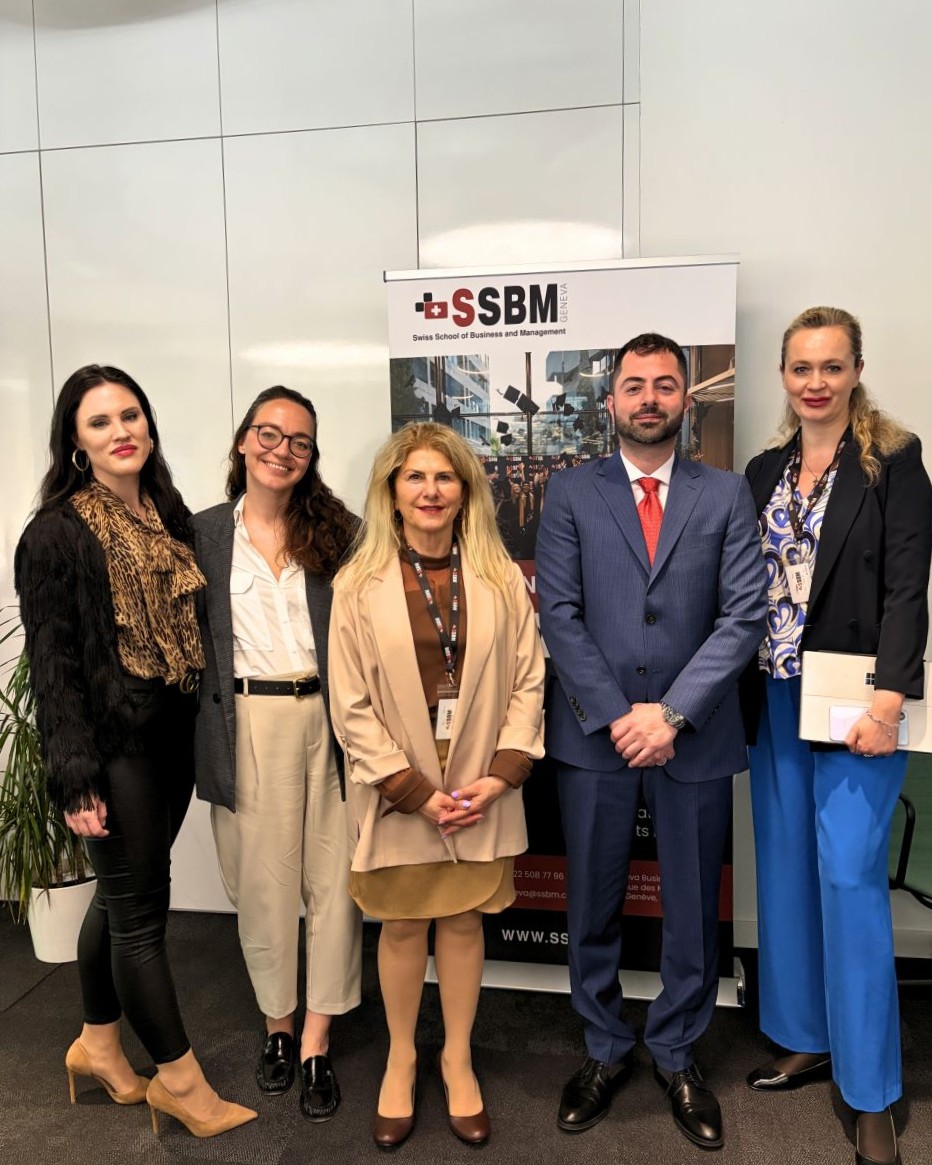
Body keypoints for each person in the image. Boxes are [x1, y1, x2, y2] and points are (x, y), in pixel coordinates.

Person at [536, 333, 767, 1150]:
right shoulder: (570, 492)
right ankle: (604, 1046)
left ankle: (676, 1049)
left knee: (693, 909)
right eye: (634, 385)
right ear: (611, 401)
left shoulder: (725, 493)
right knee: (591, 901)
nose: (649, 398)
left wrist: (669, 715)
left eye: (664, 384)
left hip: (692, 737)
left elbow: (744, 615)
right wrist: (618, 714)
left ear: (685, 400)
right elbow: (558, 613)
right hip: (596, 738)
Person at [14, 364, 256, 1139]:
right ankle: (181, 1083)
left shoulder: (166, 512)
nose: (121, 431)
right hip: (113, 747)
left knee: (120, 900)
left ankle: (97, 1042)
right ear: (76, 442)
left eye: (130, 415)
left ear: (148, 424)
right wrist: (74, 776)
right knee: (143, 920)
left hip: (171, 735)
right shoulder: (55, 533)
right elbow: (53, 667)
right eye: (99, 421)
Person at [742, 307, 932, 1165]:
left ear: (856, 368)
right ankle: (807, 1036)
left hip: (859, 707)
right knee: (786, 874)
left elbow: (906, 588)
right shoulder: (763, 471)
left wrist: (888, 704)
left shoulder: (895, 461)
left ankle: (872, 1089)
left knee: (850, 879)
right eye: (801, 367)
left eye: (831, 365)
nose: (815, 381)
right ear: (784, 376)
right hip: (776, 698)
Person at [328, 422, 545, 1150]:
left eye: (444, 477)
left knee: (462, 921)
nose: (430, 490)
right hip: (398, 779)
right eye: (415, 477)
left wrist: (501, 773)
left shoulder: (500, 577)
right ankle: (401, 1057)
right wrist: (413, 790)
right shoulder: (357, 585)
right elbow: (350, 705)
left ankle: (456, 1058)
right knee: (401, 924)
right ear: (391, 491)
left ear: (465, 490)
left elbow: (529, 679)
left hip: (479, 775)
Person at [193, 387, 362, 1121]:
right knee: (262, 889)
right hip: (245, 721)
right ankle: (279, 1028)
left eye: (299, 440)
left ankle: (318, 1038)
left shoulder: (339, 532)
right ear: (243, 440)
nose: (282, 449)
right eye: (269, 433)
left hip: (329, 718)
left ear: (311, 455)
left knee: (335, 883)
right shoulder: (200, 534)